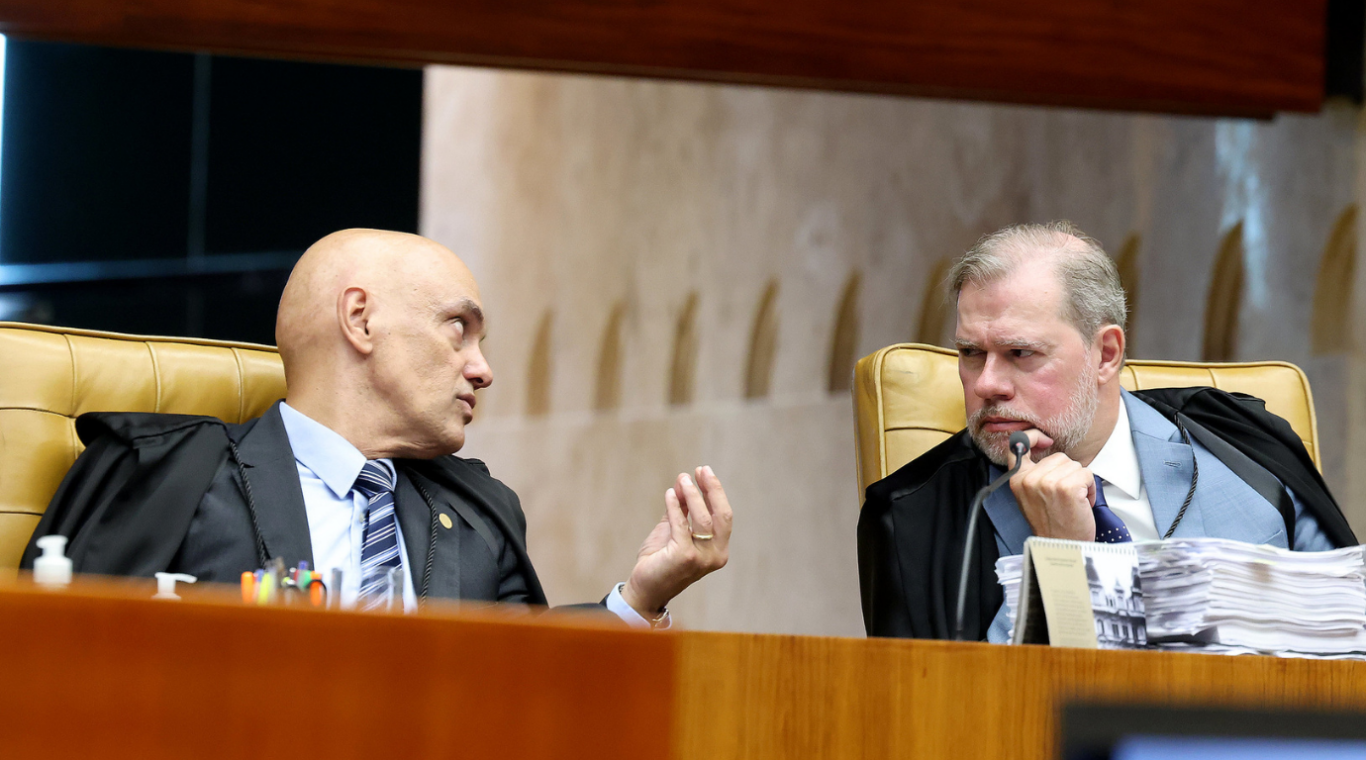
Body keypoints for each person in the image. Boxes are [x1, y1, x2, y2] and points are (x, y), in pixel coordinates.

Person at [21, 229, 732, 626]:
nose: (483, 369)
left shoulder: (478, 512)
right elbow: (48, 668)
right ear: (360, 320)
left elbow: (528, 676)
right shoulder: (165, 473)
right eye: (458, 330)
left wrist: (641, 597)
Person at [857, 221, 1356, 642]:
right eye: (970, 353)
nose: (986, 384)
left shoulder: (1243, 443)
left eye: (1020, 353)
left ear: (1106, 354)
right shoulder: (910, 516)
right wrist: (1063, 559)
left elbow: (1350, 637)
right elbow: (950, 712)